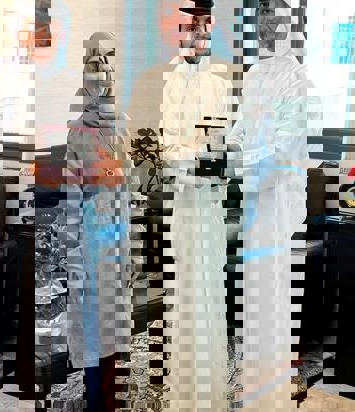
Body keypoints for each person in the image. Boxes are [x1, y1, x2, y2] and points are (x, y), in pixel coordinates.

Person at [225, 1, 322, 409]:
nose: (267, 28)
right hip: (254, 198)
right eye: (261, 20)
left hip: (279, 200)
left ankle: (274, 382)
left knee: (275, 290)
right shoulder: (254, 74)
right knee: (252, 287)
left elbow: (283, 147)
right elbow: (241, 125)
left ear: (288, 26)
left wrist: (242, 164)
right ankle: (252, 375)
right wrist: (226, 150)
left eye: (275, 21)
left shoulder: (297, 79)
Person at [159, 1, 235, 410]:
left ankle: (210, 392)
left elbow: (230, 141)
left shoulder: (220, 79)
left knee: (209, 289)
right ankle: (185, 392)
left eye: (203, 26)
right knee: (185, 290)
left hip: (210, 203)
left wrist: (216, 160)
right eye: (190, 26)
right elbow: (168, 146)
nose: (196, 33)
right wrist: (196, 159)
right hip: (184, 203)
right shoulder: (172, 80)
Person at [57, 32, 132, 412]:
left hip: (117, 227)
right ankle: (94, 399)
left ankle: (110, 396)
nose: (100, 68)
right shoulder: (77, 131)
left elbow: (124, 183)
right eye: (92, 61)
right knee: (91, 318)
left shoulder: (122, 125)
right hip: (91, 231)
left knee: (113, 318)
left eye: (107, 59)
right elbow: (72, 191)